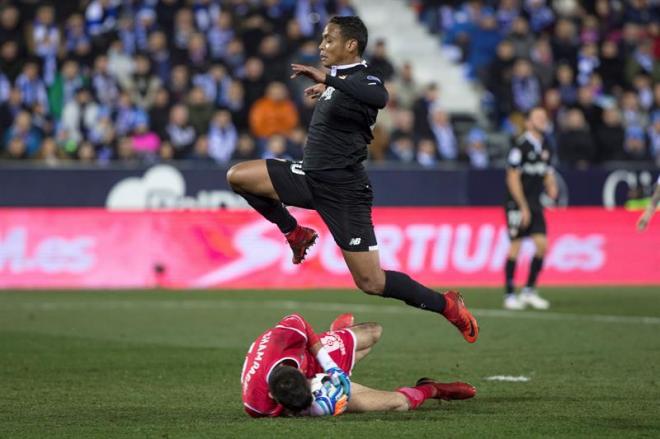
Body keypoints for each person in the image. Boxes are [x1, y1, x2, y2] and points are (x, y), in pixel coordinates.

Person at [226, 16, 478, 343]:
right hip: (309, 176)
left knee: (371, 282)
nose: (321, 46)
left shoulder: (367, 77)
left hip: (344, 191)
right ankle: (294, 231)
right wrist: (329, 86)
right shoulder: (338, 84)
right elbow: (345, 94)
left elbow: (379, 98)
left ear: (351, 45)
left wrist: (329, 81)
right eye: (321, 39)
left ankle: (446, 304)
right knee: (239, 176)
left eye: (329, 40)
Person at [241, 313, 476, 417]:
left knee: (373, 333)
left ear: (305, 376)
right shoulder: (258, 405)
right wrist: (319, 407)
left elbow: (299, 320)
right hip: (303, 385)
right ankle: (432, 389)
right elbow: (282, 411)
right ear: (272, 395)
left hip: (310, 358)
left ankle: (337, 335)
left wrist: (329, 366)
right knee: (398, 403)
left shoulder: (281, 339)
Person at [504, 107, 558, 310]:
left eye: (544, 116)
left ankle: (528, 291)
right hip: (517, 204)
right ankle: (509, 294)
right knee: (515, 246)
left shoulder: (547, 145)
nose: (543, 120)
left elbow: (548, 171)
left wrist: (551, 185)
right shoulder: (520, 147)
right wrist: (522, 206)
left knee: (542, 246)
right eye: (538, 117)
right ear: (528, 123)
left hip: (535, 203)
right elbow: (512, 177)